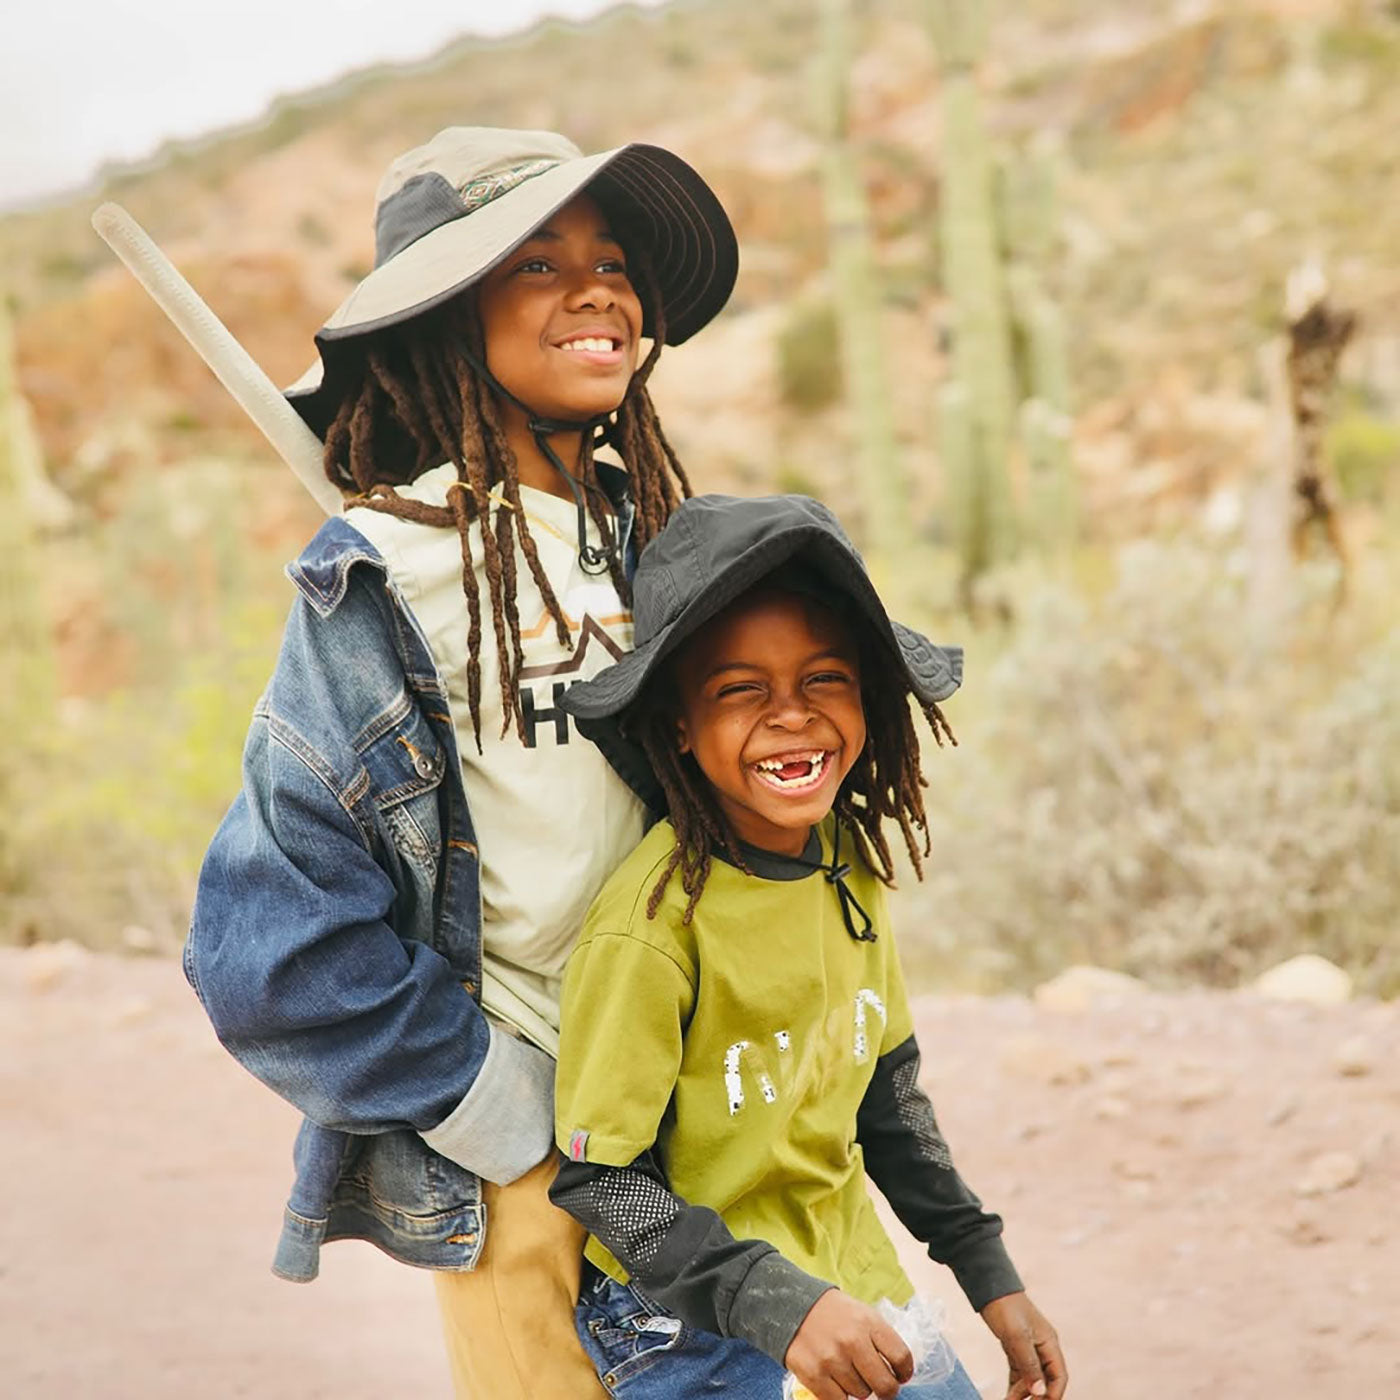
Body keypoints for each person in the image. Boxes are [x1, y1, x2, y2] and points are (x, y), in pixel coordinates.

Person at [184, 126, 738, 1399]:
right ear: (440, 319)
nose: (598, 287)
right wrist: (503, 1117)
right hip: (549, 1173)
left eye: (610, 260)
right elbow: (267, 944)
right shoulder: (390, 576)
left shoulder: (661, 537)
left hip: (723, 1122)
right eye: (535, 264)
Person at [551, 494, 1068, 1400]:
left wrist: (990, 1275)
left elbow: (888, 1102)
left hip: (844, 1271)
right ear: (678, 723)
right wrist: (774, 1304)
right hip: (690, 1315)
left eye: (823, 679)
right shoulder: (653, 926)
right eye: (741, 689)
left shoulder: (846, 869)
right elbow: (603, 1182)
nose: (791, 715)